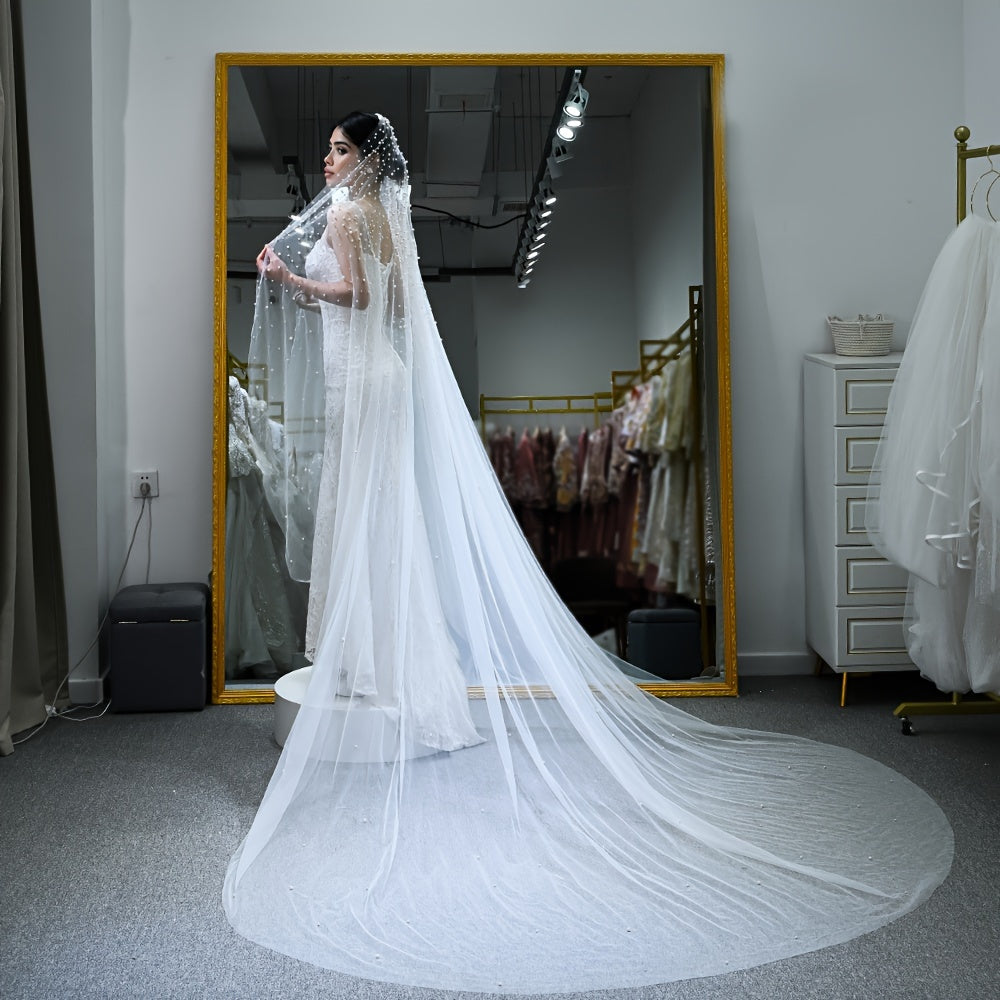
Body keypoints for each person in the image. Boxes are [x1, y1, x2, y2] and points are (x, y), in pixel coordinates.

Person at [224, 113, 953, 994]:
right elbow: (397, 307)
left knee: (366, 510)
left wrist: (292, 283)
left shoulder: (347, 214)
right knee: (385, 515)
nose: (329, 160)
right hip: (381, 374)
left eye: (340, 150)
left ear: (363, 158)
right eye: (331, 150)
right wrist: (315, 288)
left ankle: (363, 657)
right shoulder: (386, 215)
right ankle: (382, 657)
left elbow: (361, 299)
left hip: (358, 376)